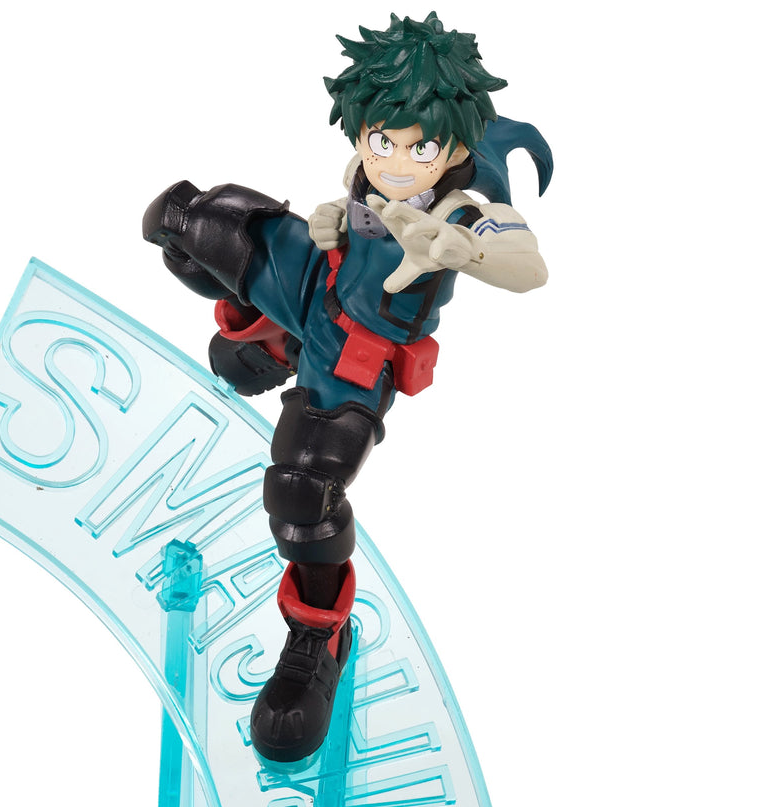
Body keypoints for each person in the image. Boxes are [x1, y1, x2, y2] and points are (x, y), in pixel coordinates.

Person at [143, 11, 551, 763]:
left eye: (420, 148)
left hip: (357, 352)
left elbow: (527, 265)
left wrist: (460, 247)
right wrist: (330, 219)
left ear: (455, 149)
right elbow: (353, 199)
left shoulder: (465, 209)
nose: (395, 162)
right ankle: (267, 345)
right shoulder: (367, 172)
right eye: (381, 141)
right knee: (187, 224)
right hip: (313, 284)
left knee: (302, 492)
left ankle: (317, 638)